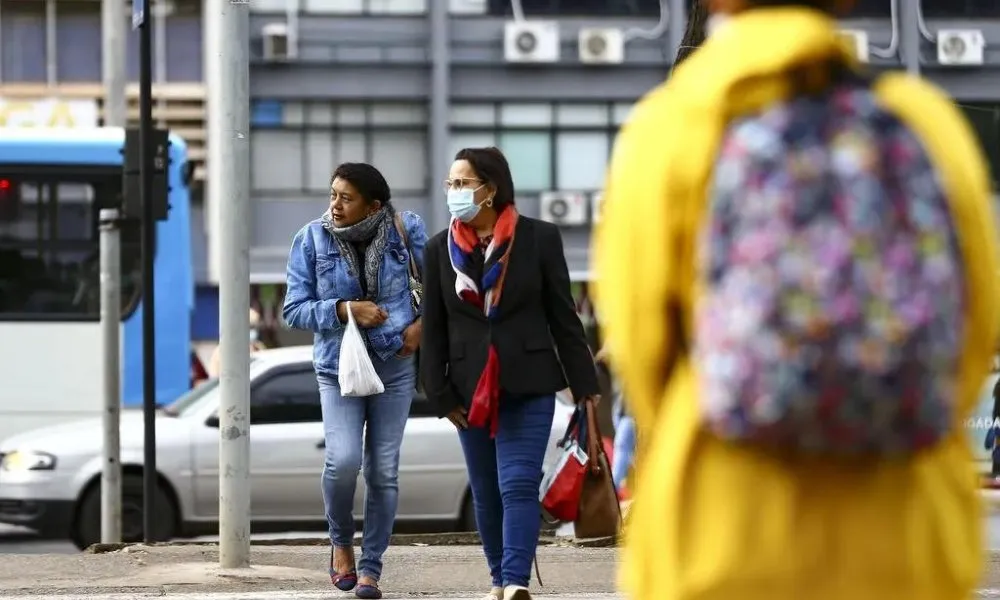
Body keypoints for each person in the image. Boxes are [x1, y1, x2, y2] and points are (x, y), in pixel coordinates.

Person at [593, 1, 1000, 600]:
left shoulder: (672, 126)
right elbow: (973, 329)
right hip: (908, 537)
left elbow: (642, 345)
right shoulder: (925, 123)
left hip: (723, 536)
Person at [420, 147, 600, 600]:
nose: (454, 192)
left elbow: (564, 316)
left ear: (490, 189)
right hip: (467, 389)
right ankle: (499, 579)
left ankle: (516, 582)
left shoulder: (539, 238)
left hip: (530, 379)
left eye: (462, 183)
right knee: (485, 489)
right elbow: (434, 329)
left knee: (517, 482)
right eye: (451, 184)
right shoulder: (438, 249)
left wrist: (585, 386)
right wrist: (438, 393)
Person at [282, 162, 427, 600]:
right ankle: (341, 543)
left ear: (373, 205)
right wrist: (345, 308)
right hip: (337, 367)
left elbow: (439, 288)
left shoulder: (407, 229)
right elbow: (293, 310)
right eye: (332, 195)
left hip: (395, 363)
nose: (335, 205)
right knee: (343, 460)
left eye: (346, 197)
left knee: (383, 471)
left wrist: (423, 329)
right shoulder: (311, 238)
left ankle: (371, 568)